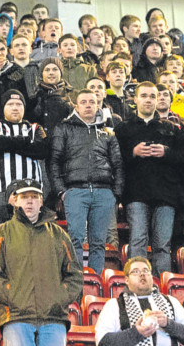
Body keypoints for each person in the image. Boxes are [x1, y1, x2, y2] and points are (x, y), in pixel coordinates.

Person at [0, 178, 83, 346]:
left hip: (54, 318)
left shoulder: (59, 235)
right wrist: (14, 296)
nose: (29, 201)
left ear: (41, 201)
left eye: (34, 196)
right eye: (24, 196)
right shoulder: (0, 233)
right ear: (15, 200)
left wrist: (58, 297)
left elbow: (75, 275)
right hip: (16, 317)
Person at [114, 82, 184, 275]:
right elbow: (114, 160)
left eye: (152, 96)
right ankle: (136, 281)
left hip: (166, 195)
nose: (148, 100)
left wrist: (167, 152)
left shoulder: (172, 128)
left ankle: (163, 287)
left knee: (162, 244)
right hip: (135, 194)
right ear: (135, 99)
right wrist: (133, 152)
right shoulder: (123, 129)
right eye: (144, 96)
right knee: (138, 240)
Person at [50, 89, 123, 274]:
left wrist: (115, 193)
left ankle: (95, 281)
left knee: (98, 241)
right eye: (84, 102)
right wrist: (62, 191)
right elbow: (55, 161)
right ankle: (76, 280)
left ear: (98, 105)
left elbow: (118, 164)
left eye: (92, 101)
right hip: (75, 191)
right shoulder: (64, 128)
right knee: (75, 238)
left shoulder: (108, 132)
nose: (88, 105)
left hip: (103, 192)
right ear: (76, 106)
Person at [94, 256, 184, 346]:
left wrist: (168, 324)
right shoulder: (113, 305)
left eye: (146, 271)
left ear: (152, 277)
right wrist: (136, 333)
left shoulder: (171, 301)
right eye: (135, 271)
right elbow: (102, 341)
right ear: (126, 279)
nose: (142, 274)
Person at [0, 90, 48, 228]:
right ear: (3, 108)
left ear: (24, 108)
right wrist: (25, 141)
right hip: (1, 189)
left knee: (31, 231)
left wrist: (8, 144)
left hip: (32, 190)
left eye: (19, 104)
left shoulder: (35, 128)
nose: (15, 107)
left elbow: (42, 150)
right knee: (2, 230)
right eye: (10, 104)